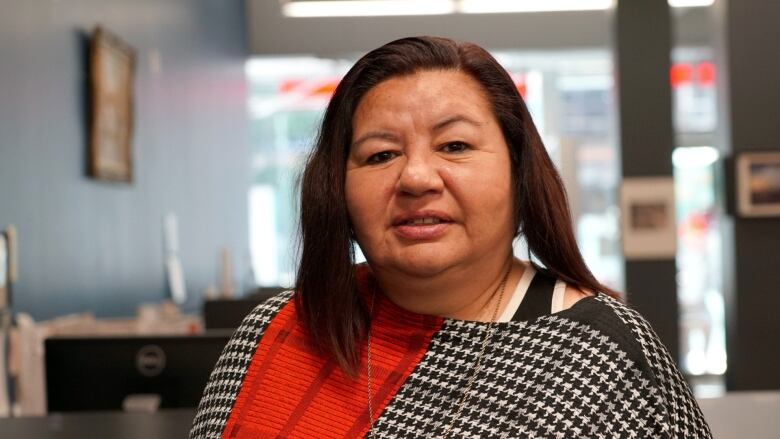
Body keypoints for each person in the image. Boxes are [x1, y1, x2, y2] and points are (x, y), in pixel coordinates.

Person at [190, 36, 711, 438]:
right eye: (380, 154)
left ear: (518, 170)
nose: (416, 177)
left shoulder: (601, 355)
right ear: (338, 189)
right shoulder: (280, 330)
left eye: (455, 145)